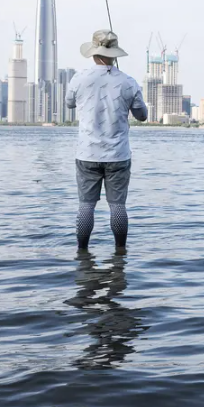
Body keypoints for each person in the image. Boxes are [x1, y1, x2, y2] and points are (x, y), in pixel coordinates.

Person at [65, 29, 148, 249]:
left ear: (93, 52)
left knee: (86, 206)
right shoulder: (128, 82)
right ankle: (120, 253)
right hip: (118, 156)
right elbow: (142, 115)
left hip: (87, 154)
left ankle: (82, 253)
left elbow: (69, 103)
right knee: (118, 206)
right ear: (115, 54)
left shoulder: (79, 78)